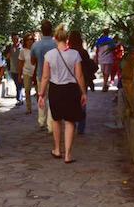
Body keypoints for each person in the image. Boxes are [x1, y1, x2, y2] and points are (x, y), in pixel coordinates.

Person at [38, 24, 87, 163]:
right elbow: (79, 76)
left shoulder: (49, 55)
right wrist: (83, 93)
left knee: (56, 119)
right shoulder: (75, 54)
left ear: (55, 39)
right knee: (70, 121)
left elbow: (45, 77)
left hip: (55, 89)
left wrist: (41, 94)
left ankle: (57, 150)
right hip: (71, 90)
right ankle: (68, 155)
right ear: (67, 39)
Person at [31, 20, 56, 134]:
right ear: (52, 31)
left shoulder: (36, 45)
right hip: (55, 76)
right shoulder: (56, 44)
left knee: (41, 98)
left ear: (41, 31)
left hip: (41, 75)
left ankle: (41, 122)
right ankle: (51, 126)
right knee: (52, 100)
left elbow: (32, 62)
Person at [68, 29, 93, 134]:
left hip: (70, 81)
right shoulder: (83, 52)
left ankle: (72, 124)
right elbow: (87, 67)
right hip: (83, 80)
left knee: (71, 104)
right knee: (82, 103)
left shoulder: (68, 52)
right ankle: (81, 127)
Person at [18, 32, 36, 114]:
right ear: (25, 41)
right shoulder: (23, 51)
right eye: (28, 39)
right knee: (27, 90)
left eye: (31, 39)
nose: (30, 41)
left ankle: (41, 108)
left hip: (36, 72)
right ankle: (29, 108)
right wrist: (19, 75)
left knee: (39, 91)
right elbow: (20, 63)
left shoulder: (36, 49)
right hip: (26, 72)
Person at [4, 33, 23, 105]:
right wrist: (9, 54)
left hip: (21, 69)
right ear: (12, 39)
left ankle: (19, 99)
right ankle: (19, 98)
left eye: (17, 39)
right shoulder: (9, 47)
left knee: (19, 84)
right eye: (14, 39)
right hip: (12, 69)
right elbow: (6, 57)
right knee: (17, 84)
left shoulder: (22, 48)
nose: (16, 40)